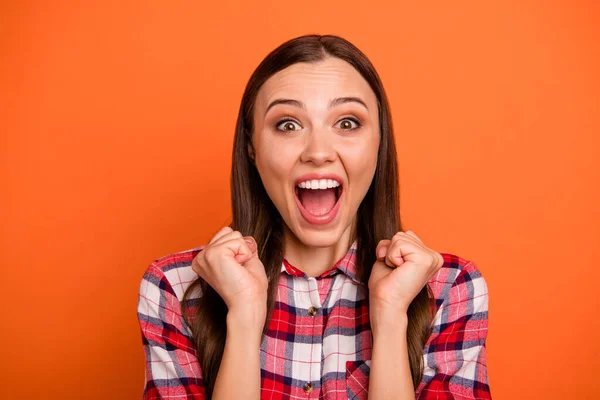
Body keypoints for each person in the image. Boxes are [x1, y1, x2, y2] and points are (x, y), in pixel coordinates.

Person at [137, 34, 490, 400]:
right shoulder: (176, 288)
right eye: (288, 124)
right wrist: (242, 318)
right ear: (251, 147)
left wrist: (390, 321)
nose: (318, 152)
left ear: (379, 143)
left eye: (348, 123)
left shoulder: (450, 289)